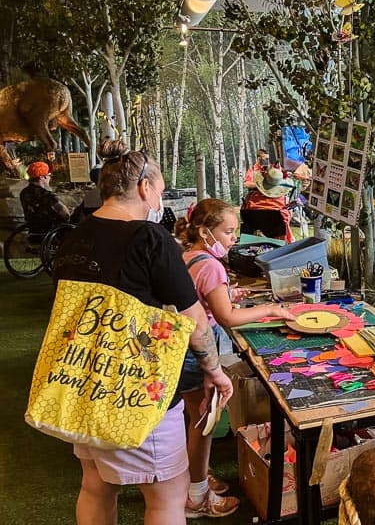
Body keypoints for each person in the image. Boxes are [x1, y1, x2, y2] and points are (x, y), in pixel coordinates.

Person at [51, 140, 233, 525]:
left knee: (96, 485)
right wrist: (215, 372)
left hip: (82, 384)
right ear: (145, 187)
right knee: (168, 493)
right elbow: (196, 321)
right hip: (136, 390)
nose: (160, 201)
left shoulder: (73, 237)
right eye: (161, 191)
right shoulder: (150, 238)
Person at [174, 198, 294, 518]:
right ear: (205, 232)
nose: (233, 239)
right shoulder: (212, 266)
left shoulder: (188, 256)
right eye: (228, 232)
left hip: (181, 348)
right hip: (197, 351)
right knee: (204, 421)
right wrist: (270, 309)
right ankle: (197, 495)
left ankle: (196, 475)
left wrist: (226, 294)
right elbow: (226, 317)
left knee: (194, 417)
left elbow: (201, 297)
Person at [241, 149, 297, 242]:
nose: (266, 161)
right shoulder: (283, 200)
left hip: (254, 231)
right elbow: (286, 218)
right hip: (277, 236)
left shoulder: (250, 200)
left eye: (267, 159)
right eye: (263, 159)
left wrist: (261, 186)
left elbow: (244, 213)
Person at [20, 161, 71, 234]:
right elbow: (65, 214)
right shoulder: (44, 194)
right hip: (51, 231)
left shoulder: (24, 192)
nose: (50, 178)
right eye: (49, 175)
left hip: (33, 231)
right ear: (42, 177)